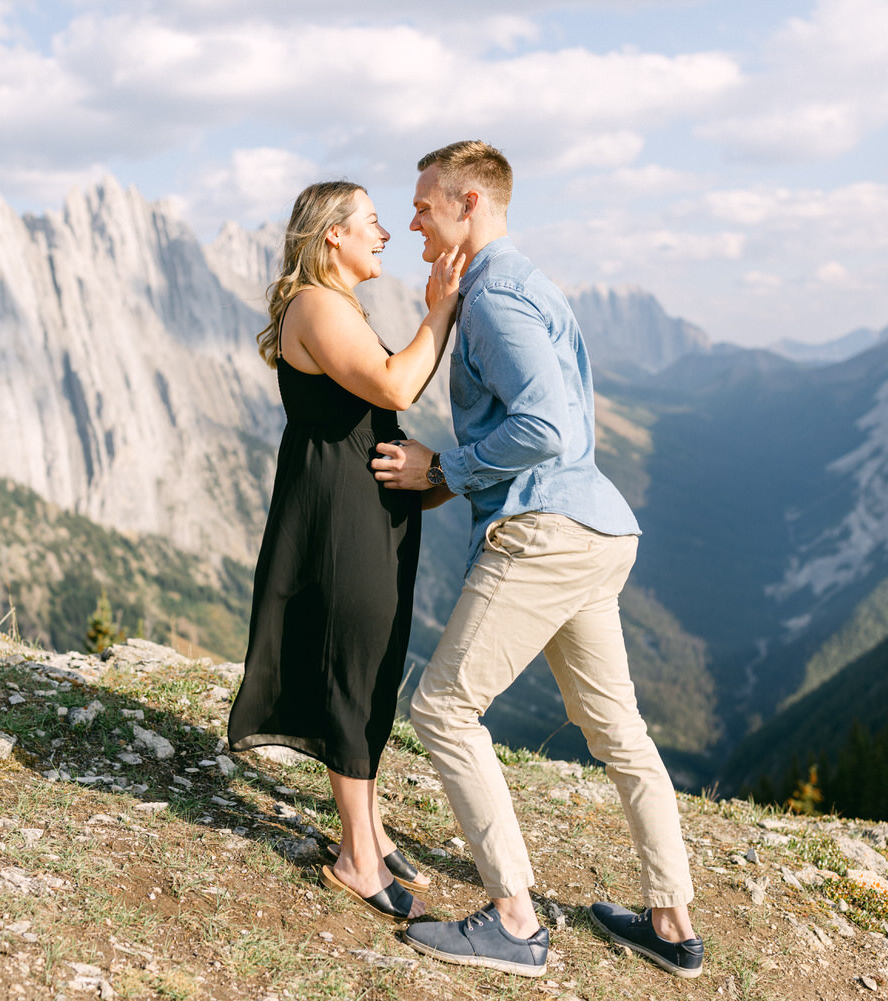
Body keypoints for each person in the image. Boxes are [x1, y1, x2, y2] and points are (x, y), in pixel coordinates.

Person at [372, 141, 704, 978]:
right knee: (617, 728)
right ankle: (671, 920)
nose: (411, 217)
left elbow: (545, 426)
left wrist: (445, 469)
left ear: (471, 202)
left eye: (424, 203)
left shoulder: (493, 300)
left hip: (546, 533)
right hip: (599, 529)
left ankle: (515, 920)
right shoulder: (530, 283)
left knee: (444, 709)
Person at [227, 180, 464, 923]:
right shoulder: (317, 306)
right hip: (339, 517)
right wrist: (441, 308)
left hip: (366, 508)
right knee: (351, 668)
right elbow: (396, 380)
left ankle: (371, 830)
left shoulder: (339, 304)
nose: (386, 232)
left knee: (372, 663)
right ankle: (356, 857)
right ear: (332, 234)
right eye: (370, 221)